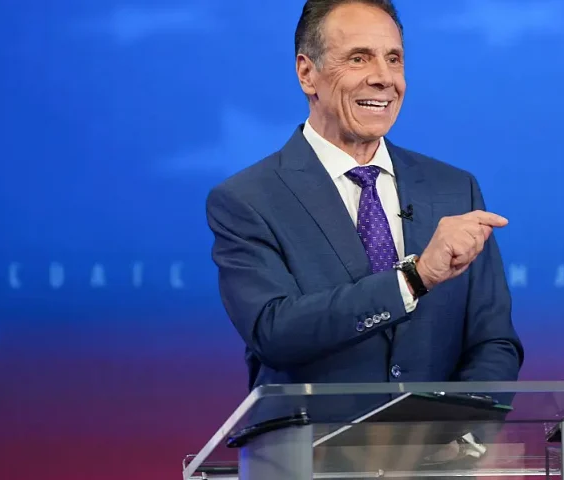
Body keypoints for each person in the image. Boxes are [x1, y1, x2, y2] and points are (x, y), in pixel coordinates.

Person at [206, 0, 524, 393]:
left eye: (394, 59)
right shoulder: (248, 200)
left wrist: (462, 423)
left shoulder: (455, 190)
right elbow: (274, 333)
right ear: (307, 73)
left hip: (439, 435)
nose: (384, 78)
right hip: (313, 434)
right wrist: (414, 279)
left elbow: (494, 342)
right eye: (359, 58)